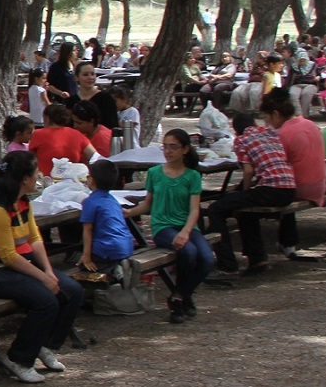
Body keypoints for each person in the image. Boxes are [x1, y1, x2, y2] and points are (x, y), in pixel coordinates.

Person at [0, 150, 83, 382]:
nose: (39, 175)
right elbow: (8, 256)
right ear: (25, 178)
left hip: (21, 265)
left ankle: (44, 345)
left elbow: (35, 238)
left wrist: (48, 271)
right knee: (46, 301)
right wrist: (43, 278)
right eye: (36, 172)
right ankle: (19, 359)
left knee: (73, 290)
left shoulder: (22, 202)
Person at [123, 129, 213, 324]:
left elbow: (194, 210)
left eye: (173, 147)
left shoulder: (192, 176)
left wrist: (186, 231)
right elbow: (148, 204)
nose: (168, 151)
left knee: (207, 259)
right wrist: (130, 212)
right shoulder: (155, 173)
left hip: (186, 226)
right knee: (188, 252)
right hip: (163, 227)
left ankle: (179, 295)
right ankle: (180, 302)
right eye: (165, 147)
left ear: (185, 149)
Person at [205, 111, 297, 274]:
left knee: (215, 209)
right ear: (254, 123)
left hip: (271, 188)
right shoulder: (270, 133)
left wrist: (245, 191)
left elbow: (248, 171)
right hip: (289, 188)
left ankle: (227, 264)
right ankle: (257, 259)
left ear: (236, 131)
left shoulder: (242, 140)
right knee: (246, 211)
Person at [259, 88, 326, 257]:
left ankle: (260, 250)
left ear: (275, 114)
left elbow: (272, 166)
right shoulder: (310, 124)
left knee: (268, 188)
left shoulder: (283, 134)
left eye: (267, 117)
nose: (266, 121)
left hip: (299, 188)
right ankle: (286, 241)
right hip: (319, 183)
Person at [78, 159, 134, 279]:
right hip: (127, 245)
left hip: (108, 247)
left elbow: (88, 230)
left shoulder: (90, 202)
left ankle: (114, 269)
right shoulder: (113, 200)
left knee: (84, 266)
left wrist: (86, 256)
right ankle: (121, 264)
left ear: (91, 180)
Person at [28, 104, 97, 176]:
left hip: (46, 180)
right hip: (72, 179)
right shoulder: (77, 134)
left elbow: (30, 160)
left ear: (46, 118)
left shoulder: (38, 134)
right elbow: (95, 156)